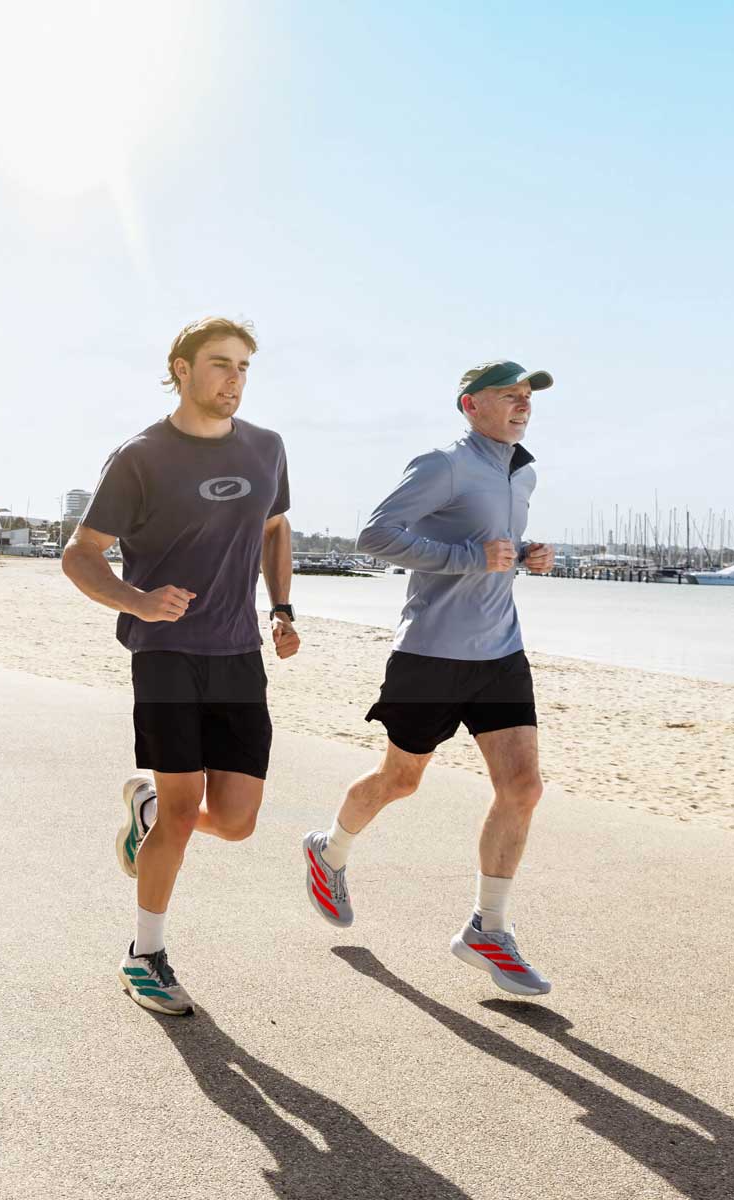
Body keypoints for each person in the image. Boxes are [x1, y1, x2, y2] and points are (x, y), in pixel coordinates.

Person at [63, 316, 300, 1016]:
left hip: (239, 653)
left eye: (244, 366)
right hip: (164, 654)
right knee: (179, 811)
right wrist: (137, 600)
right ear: (181, 369)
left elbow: (275, 528)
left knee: (235, 820)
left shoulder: (267, 448)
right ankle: (145, 956)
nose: (234, 378)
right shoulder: (140, 457)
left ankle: (144, 809)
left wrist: (282, 608)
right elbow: (80, 554)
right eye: (221, 363)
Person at [302, 360, 558, 997]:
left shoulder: (522, 472)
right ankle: (329, 851)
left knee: (523, 788)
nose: (522, 404)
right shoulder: (443, 464)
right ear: (471, 405)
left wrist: (524, 556)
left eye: (527, 396)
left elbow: (494, 550)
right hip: (431, 653)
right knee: (401, 779)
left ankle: (488, 929)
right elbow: (375, 536)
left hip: (501, 651)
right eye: (509, 395)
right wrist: (471, 556)